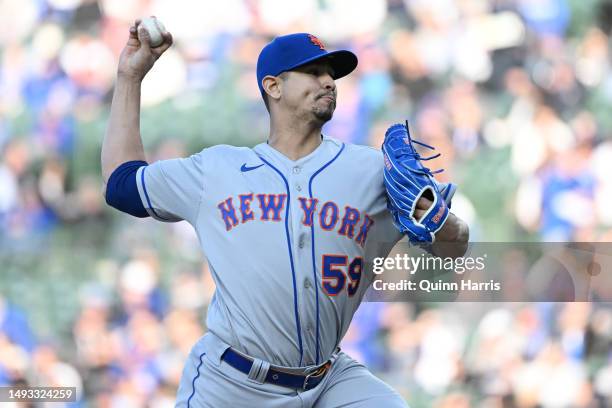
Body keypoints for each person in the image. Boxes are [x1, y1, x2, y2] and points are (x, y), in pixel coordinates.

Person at [101, 20, 469, 407]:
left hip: (328, 381)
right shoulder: (217, 171)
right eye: (312, 72)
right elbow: (120, 185)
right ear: (272, 86)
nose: (328, 81)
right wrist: (130, 76)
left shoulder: (373, 171)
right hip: (230, 384)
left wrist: (440, 220)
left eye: (332, 74)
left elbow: (454, 249)